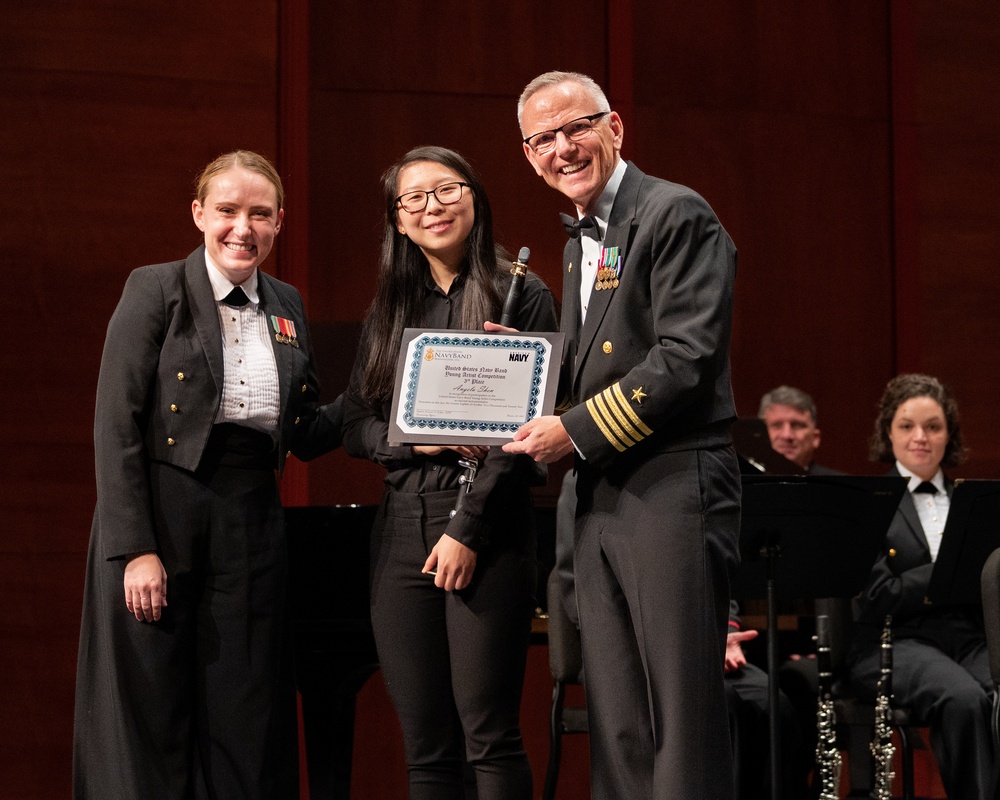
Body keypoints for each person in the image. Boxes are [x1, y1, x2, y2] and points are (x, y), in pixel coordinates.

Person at [72, 150, 344, 799]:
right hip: (160, 514)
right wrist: (135, 549)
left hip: (251, 518)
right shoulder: (154, 288)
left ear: (279, 221)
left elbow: (301, 430)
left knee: (248, 710)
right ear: (199, 214)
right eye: (227, 210)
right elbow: (116, 426)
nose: (241, 228)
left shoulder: (287, 302)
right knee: (152, 712)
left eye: (259, 213)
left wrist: (380, 399)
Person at [503, 71, 741, 800]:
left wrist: (570, 431)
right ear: (527, 154)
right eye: (543, 139)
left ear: (616, 127)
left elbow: (684, 359)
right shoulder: (579, 241)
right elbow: (599, 365)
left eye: (577, 127)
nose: (563, 148)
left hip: (671, 485)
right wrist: (521, 368)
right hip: (602, 497)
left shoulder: (673, 213)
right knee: (619, 723)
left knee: (678, 719)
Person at [342, 145, 557, 800]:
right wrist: (415, 445)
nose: (432, 206)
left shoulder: (521, 293)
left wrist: (465, 531)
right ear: (398, 222)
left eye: (446, 189)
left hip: (488, 530)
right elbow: (356, 425)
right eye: (414, 198)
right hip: (401, 528)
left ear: (474, 199)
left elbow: (523, 436)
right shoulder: (389, 308)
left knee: (489, 738)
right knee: (426, 749)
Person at [848, 373, 993, 799]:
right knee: (963, 699)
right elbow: (875, 597)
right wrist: (949, 570)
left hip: (969, 637)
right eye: (907, 426)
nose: (921, 437)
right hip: (894, 641)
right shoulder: (869, 502)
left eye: (933, 426)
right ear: (887, 433)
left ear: (949, 434)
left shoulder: (976, 502)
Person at [759, 384, 838, 474]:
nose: (787, 435)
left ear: (815, 438)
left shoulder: (841, 486)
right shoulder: (741, 484)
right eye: (777, 425)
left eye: (797, 426)